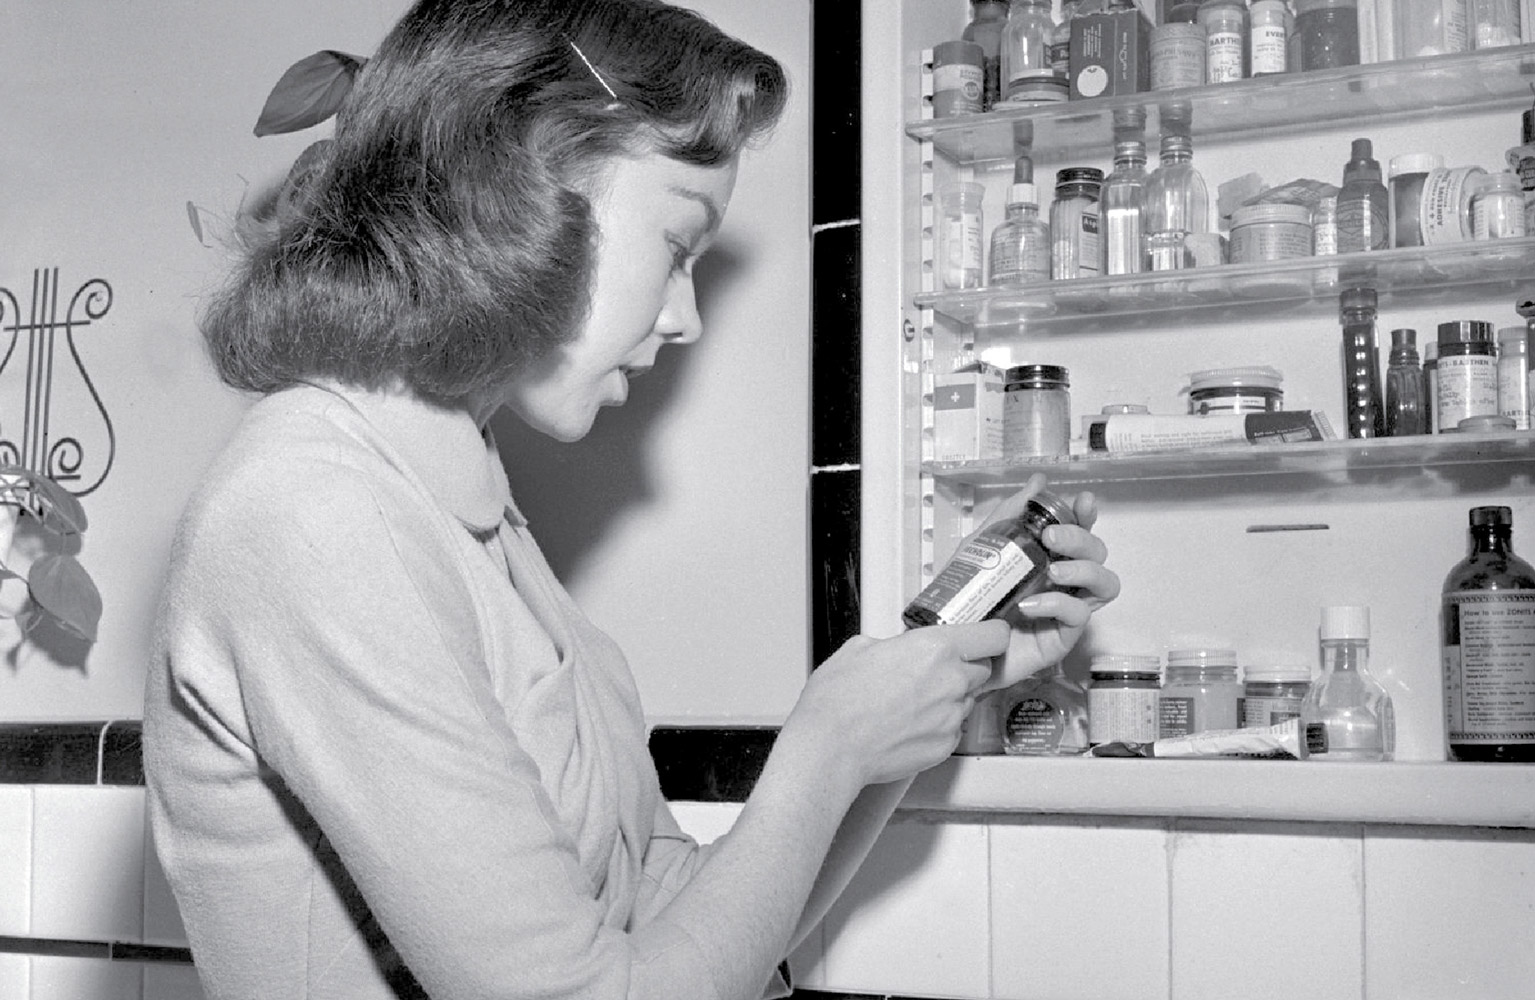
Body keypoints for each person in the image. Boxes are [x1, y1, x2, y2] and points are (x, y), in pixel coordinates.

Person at [143, 2, 1120, 999]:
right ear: (523, 187)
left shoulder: (469, 515)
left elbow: (684, 930)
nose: (685, 316)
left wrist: (924, 696)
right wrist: (821, 752)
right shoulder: (314, 506)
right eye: (677, 243)